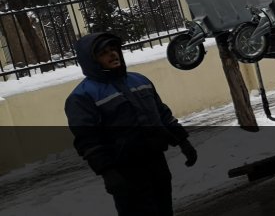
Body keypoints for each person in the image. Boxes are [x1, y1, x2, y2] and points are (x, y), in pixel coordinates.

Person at [65, 32, 197, 216]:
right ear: (91, 60)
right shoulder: (82, 97)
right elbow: (88, 140)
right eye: (104, 53)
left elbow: (162, 113)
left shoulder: (139, 81)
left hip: (156, 161)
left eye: (113, 49)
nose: (112, 54)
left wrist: (183, 141)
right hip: (125, 172)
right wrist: (107, 172)